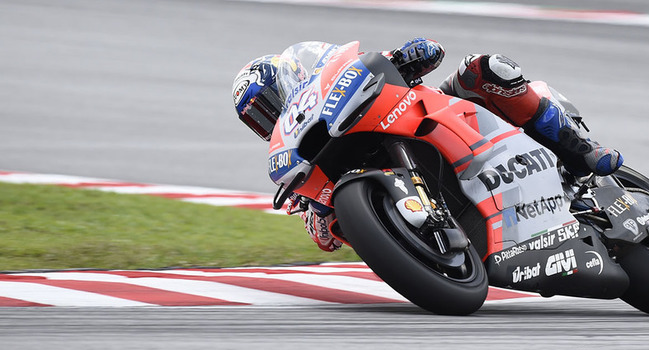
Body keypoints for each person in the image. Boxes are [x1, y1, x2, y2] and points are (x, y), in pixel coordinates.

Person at [233, 38, 623, 252]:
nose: (270, 118)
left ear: (291, 77)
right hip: (440, 218)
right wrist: (323, 212)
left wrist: (410, 55)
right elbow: (325, 240)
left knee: (486, 69)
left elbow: (421, 54)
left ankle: (583, 150)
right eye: (259, 119)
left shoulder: (338, 83)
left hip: (437, 116)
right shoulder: (303, 176)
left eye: (269, 104)